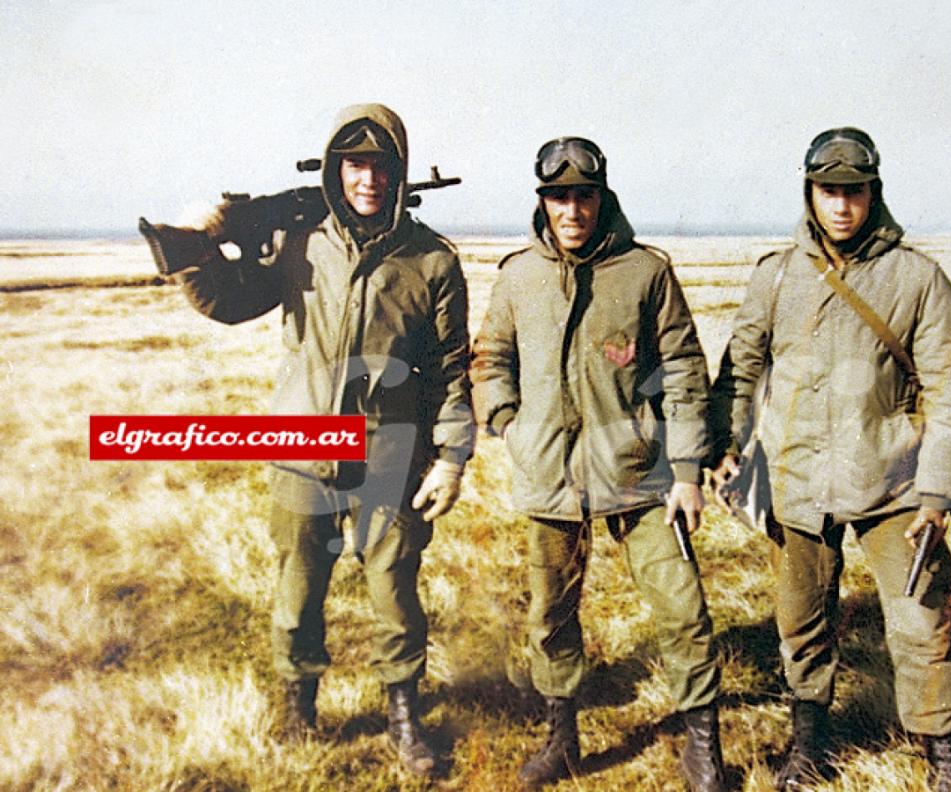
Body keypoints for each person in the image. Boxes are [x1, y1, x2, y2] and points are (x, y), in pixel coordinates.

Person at [177, 104, 473, 777]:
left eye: (381, 165)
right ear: (337, 170)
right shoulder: (302, 243)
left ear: (399, 173)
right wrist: (196, 247)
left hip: (391, 461)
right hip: (301, 454)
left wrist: (452, 458)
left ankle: (403, 716)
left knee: (395, 595)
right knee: (296, 594)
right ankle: (296, 709)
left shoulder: (432, 260)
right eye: (356, 164)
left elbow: (453, 371)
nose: (368, 178)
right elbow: (229, 301)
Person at [709, 127, 951, 791]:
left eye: (853, 191)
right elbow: (741, 369)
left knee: (922, 621)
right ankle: (810, 745)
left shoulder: (917, 279)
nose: (841, 206)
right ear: (810, 193)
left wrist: (940, 494)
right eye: (829, 191)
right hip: (797, 479)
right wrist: (726, 446)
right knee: (801, 622)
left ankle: (945, 764)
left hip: (895, 485)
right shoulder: (776, 276)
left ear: (872, 193)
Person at [471, 137, 726, 791]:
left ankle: (703, 746)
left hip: (642, 473)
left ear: (601, 197)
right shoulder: (518, 276)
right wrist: (509, 422)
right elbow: (490, 358)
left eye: (583, 196)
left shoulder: (645, 272)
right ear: (543, 203)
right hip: (550, 476)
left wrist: (690, 470)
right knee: (550, 615)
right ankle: (563, 740)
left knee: (681, 609)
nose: (572, 209)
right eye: (559, 197)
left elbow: (685, 373)